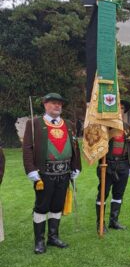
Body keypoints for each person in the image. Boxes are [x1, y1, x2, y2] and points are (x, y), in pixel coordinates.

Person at [23, 93, 81, 254]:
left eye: (59, 104)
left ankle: (53, 237)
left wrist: (76, 167)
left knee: (57, 206)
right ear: (45, 105)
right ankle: (39, 240)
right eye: (53, 103)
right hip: (44, 174)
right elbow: (27, 149)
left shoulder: (69, 124)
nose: (57, 106)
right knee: (42, 206)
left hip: (64, 173)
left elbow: (75, 146)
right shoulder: (34, 124)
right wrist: (31, 170)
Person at [95, 100, 130, 232]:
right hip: (107, 164)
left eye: (122, 108)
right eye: (118, 107)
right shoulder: (104, 126)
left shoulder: (127, 127)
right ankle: (100, 223)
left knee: (118, 194)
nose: (120, 110)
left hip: (123, 164)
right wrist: (101, 164)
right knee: (103, 194)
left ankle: (114, 221)